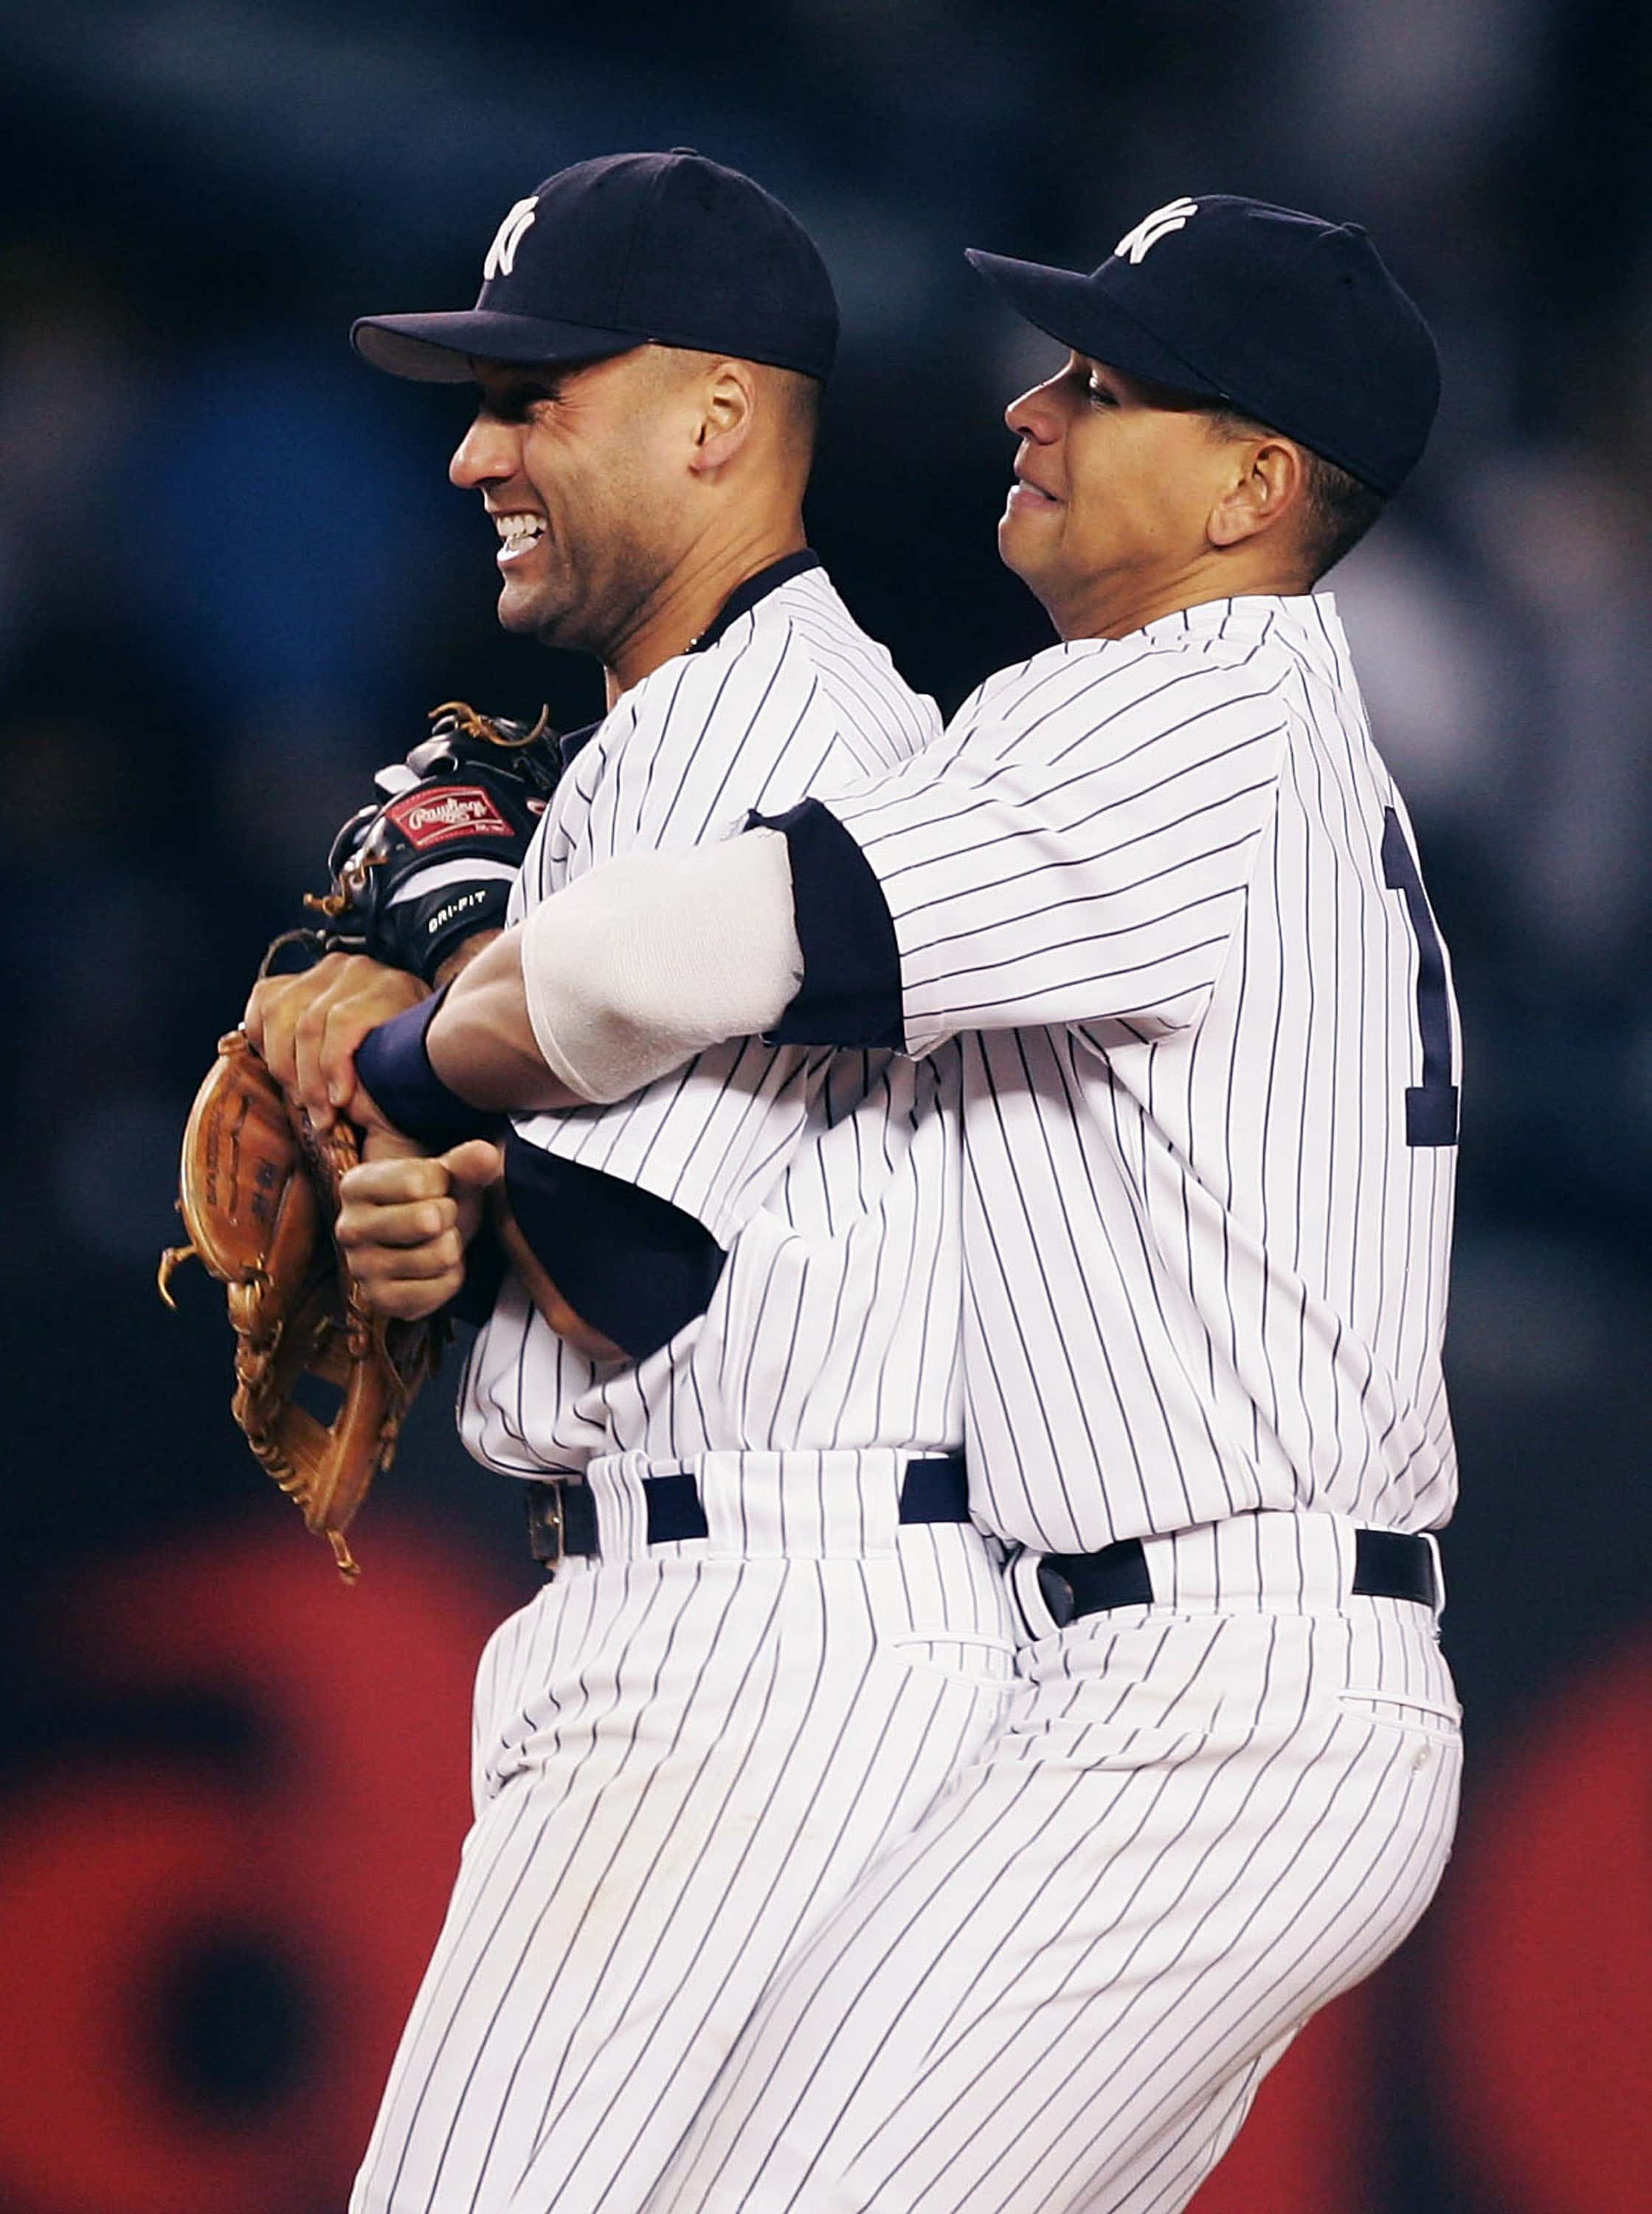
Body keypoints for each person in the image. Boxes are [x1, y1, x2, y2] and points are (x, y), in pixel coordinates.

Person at [335, 195, 1465, 2213]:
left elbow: (711, 950)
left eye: (1106, 386)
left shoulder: (1201, 713)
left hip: (1219, 1687)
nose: (1033, 407)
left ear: (1254, 488)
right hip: (1124, 1664)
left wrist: (417, 1042)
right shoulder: (1132, 719)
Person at [251, 149, 1018, 2214]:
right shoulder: (712, 727)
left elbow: (632, 1257)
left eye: (536, 398)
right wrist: (443, 1194)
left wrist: (433, 1051)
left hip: (750, 1627)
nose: (475, 454)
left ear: (717, 417)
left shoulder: (752, 739)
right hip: (775, 1606)